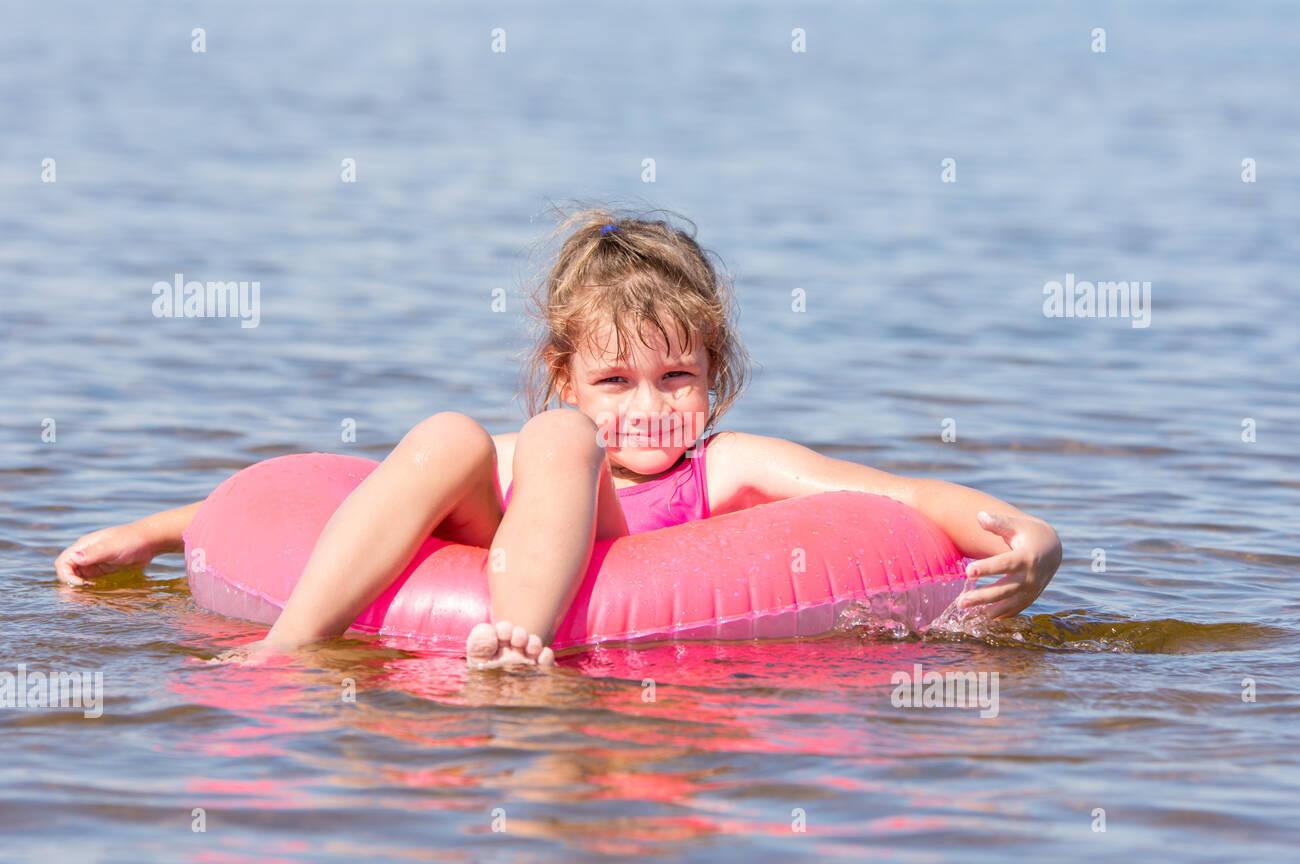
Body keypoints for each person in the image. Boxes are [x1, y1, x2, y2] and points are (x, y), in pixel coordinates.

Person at [55, 208, 1062, 669]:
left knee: (550, 445)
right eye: (613, 379)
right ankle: (290, 646)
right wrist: (157, 530)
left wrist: (1029, 534)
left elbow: (897, 497)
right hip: (501, 530)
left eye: (678, 376)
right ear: (563, 369)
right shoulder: (554, 432)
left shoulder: (729, 465)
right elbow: (346, 493)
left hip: (533, 621)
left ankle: (518, 640)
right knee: (488, 438)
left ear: (715, 375)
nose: (648, 406)